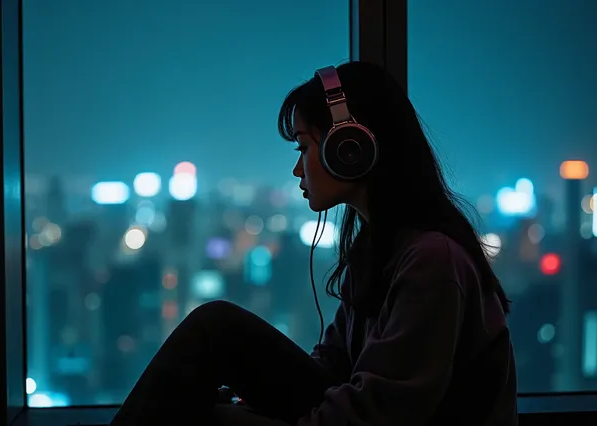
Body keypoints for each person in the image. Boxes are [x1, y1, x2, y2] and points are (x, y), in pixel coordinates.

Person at [108, 61, 518, 426]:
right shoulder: (379, 250)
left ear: (350, 148)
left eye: (304, 146)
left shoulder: (433, 261)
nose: (296, 167)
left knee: (215, 329)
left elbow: (381, 413)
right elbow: (332, 368)